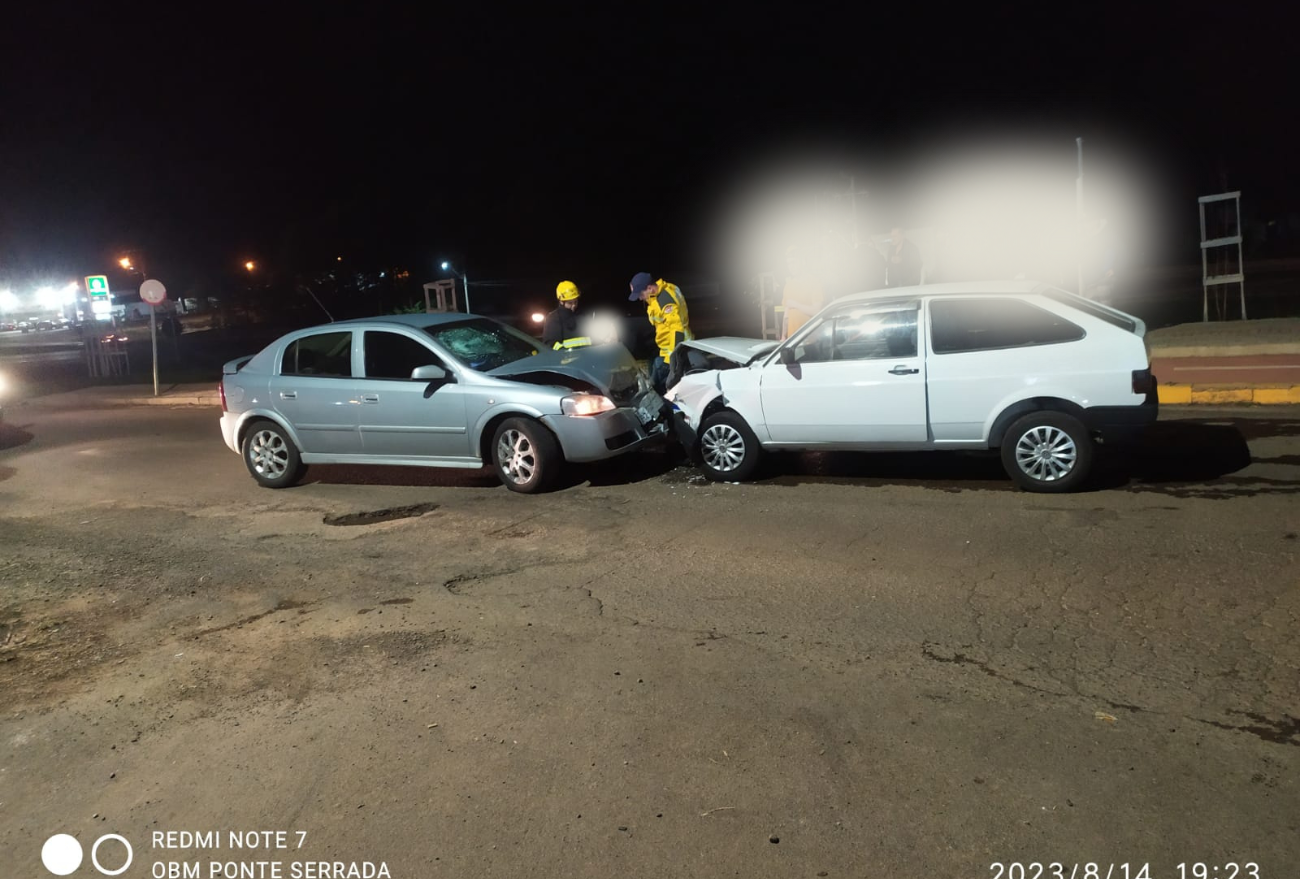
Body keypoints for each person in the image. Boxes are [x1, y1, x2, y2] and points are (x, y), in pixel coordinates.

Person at [629, 271, 692, 394]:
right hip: (667, 350)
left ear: (650, 288)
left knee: (664, 388)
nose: (640, 298)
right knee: (657, 375)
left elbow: (676, 329)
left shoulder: (664, 299)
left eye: (641, 294)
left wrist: (674, 362)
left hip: (675, 351)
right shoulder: (659, 294)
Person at [780, 246, 825, 339]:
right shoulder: (788, 285)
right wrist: (783, 336)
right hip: (792, 341)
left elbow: (817, 311)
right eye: (788, 264)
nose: (790, 267)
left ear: (803, 262)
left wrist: (796, 305)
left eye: (793, 262)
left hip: (809, 339)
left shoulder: (814, 282)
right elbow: (786, 315)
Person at [542, 280, 591, 350]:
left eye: (575, 302)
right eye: (570, 303)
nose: (574, 306)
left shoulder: (583, 315)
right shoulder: (553, 318)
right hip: (566, 359)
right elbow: (550, 344)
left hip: (587, 357)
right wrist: (564, 354)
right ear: (561, 301)